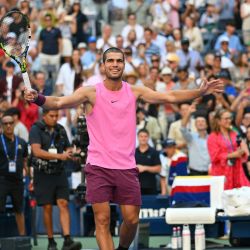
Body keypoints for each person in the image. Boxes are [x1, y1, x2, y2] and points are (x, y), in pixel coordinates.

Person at [24, 47, 223, 250]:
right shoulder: (90, 92)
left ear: (124, 64)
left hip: (126, 166)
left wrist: (200, 92)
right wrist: (37, 98)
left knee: (132, 220)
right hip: (98, 166)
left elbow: (169, 97)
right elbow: (58, 101)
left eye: (119, 61)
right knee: (102, 220)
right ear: (103, 65)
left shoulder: (135, 91)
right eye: (110, 60)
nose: (115, 64)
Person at [29, 109, 82, 250]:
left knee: (63, 203)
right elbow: (36, 151)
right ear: (44, 116)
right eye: (51, 116)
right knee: (47, 207)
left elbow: (68, 147)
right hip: (43, 173)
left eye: (56, 116)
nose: (54, 118)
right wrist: (60, 156)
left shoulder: (61, 129)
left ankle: (67, 239)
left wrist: (73, 153)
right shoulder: (35, 129)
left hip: (59, 172)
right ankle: (51, 241)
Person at [207, 109, 250, 190]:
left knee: (240, 196)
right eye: (226, 119)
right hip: (222, 172)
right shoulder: (213, 137)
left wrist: (245, 156)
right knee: (223, 197)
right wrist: (234, 154)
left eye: (230, 118)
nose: (229, 120)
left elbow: (243, 146)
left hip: (237, 169)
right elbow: (214, 156)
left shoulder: (234, 133)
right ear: (218, 121)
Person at [0, 113, 28, 236]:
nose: (9, 126)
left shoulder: (21, 141)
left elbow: (26, 159)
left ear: (14, 124)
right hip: (2, 180)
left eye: (11, 123)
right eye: (5, 124)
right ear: (1, 126)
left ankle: (22, 238)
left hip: (17, 181)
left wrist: (27, 173)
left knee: (19, 210)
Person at [180, 103, 210, 175]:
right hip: (195, 172)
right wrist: (188, 112)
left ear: (207, 125)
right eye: (198, 122)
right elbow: (183, 128)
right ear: (195, 125)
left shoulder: (211, 138)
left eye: (203, 121)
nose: (200, 123)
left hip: (209, 171)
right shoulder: (191, 137)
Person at [135, 128, 161, 195]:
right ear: (138, 137)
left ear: (148, 138)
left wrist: (144, 168)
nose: (143, 138)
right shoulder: (133, 152)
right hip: (136, 186)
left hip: (151, 186)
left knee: (151, 205)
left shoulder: (154, 152)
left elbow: (158, 168)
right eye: (141, 136)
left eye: (145, 136)